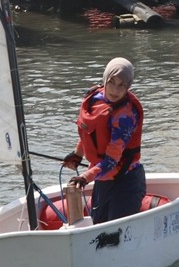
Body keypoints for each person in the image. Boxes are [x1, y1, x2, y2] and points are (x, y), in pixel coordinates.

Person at [62, 57, 145, 224]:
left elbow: (112, 161)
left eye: (122, 85)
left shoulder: (125, 116)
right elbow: (90, 133)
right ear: (105, 79)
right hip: (103, 180)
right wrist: (78, 154)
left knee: (113, 232)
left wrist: (85, 177)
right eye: (111, 82)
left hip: (125, 182)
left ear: (128, 86)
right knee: (98, 225)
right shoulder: (95, 99)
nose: (115, 90)